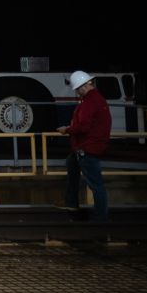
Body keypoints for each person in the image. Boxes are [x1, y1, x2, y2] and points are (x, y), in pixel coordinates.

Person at [57, 69, 111, 220]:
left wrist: (66, 129)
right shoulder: (98, 100)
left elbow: (84, 127)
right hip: (86, 147)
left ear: (83, 87)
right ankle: (71, 203)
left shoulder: (90, 102)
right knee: (71, 163)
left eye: (78, 90)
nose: (77, 93)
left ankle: (100, 216)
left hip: (87, 147)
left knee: (95, 184)